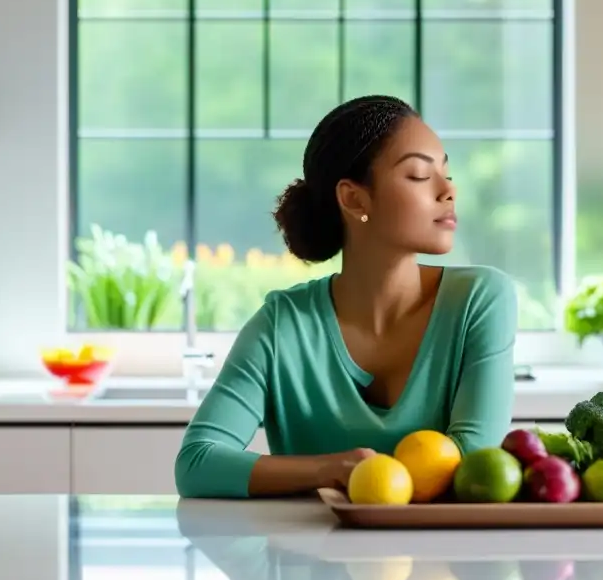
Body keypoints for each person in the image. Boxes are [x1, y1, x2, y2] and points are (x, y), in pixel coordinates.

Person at [175, 95, 518, 499]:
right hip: (312, 556)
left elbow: (472, 458)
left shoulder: (481, 300)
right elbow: (197, 463)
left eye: (447, 173)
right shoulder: (282, 325)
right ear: (355, 199)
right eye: (419, 176)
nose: (449, 191)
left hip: (443, 560)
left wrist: (358, 478)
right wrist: (329, 469)